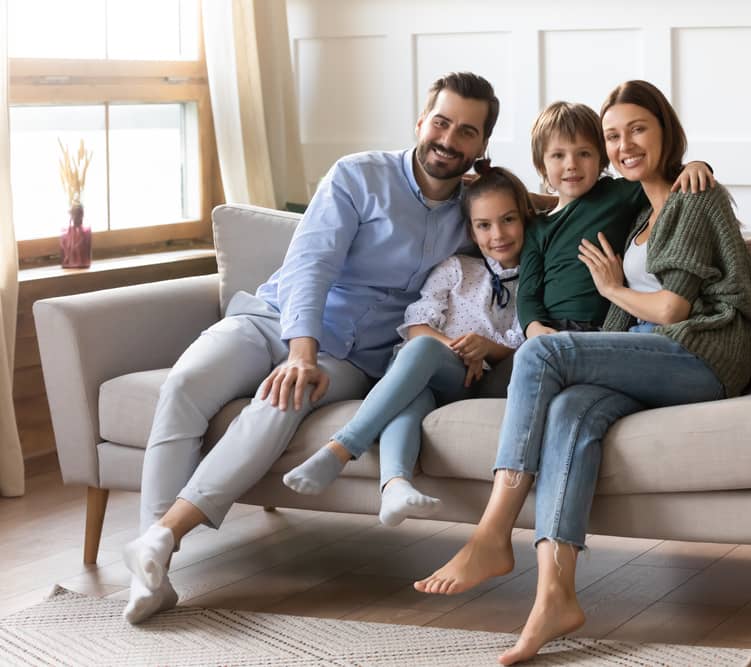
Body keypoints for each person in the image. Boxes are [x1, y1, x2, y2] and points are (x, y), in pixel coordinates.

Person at [414, 80, 751, 665]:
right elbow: (545, 212)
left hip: (700, 353)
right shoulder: (632, 211)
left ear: (665, 132)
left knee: (541, 353)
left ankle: (492, 532)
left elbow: (675, 308)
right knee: (572, 411)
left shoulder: (692, 197)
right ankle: (555, 595)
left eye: (638, 130)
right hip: (647, 353)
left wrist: (613, 287)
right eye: (614, 135)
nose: (624, 144)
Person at [120, 71, 500, 624]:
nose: (448, 139)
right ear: (421, 122)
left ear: (481, 146)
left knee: (283, 402)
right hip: (275, 318)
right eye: (441, 122)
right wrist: (300, 349)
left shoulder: (472, 210)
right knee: (184, 385)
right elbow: (311, 264)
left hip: (353, 357)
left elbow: (535, 210)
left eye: (467, 131)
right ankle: (151, 569)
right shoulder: (358, 175)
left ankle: (158, 543)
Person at [281, 160, 533, 527]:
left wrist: (486, 348)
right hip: (423, 367)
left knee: (422, 354)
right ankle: (395, 484)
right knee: (415, 388)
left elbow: (522, 338)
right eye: (484, 225)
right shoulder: (456, 267)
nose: (498, 233)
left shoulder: (533, 278)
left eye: (508, 220)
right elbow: (417, 325)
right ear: (471, 230)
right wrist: (455, 347)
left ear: (525, 218)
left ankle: (341, 448)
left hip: (470, 379)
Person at [518, 101, 715, 339]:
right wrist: (533, 328)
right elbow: (527, 293)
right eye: (558, 155)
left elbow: (665, 178)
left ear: (602, 159)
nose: (571, 165)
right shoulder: (538, 228)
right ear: (541, 165)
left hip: (607, 328)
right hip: (552, 329)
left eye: (584, 153)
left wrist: (697, 165)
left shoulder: (616, 194)